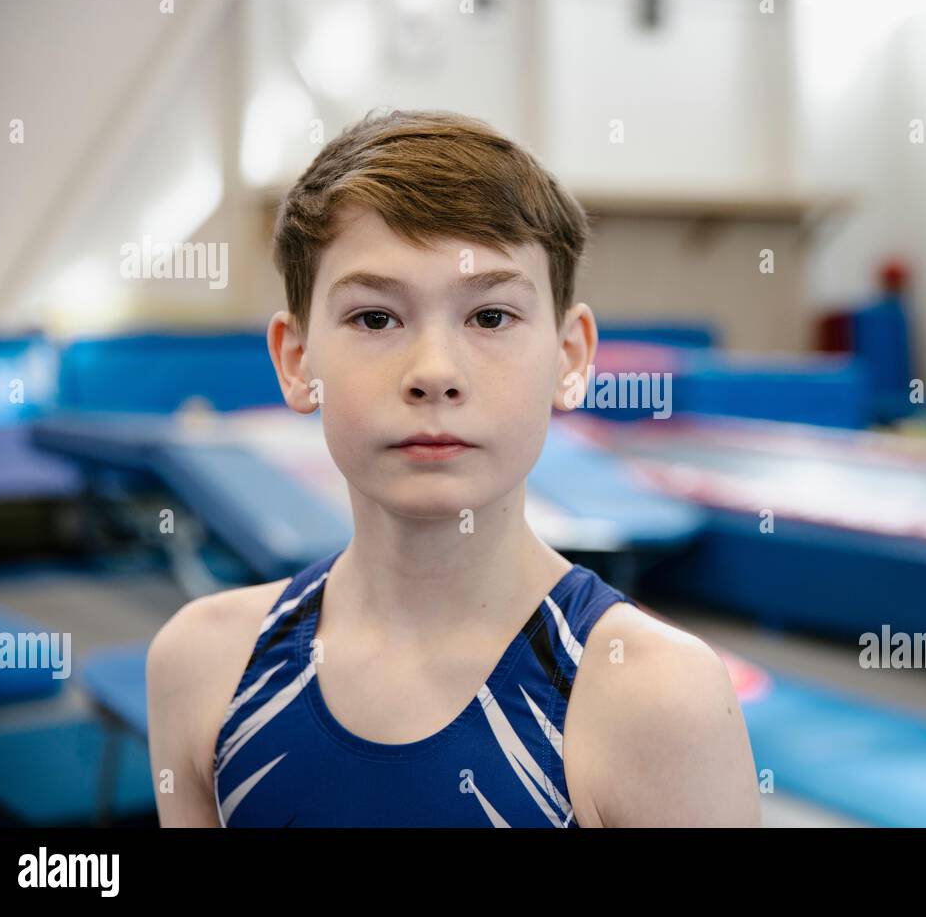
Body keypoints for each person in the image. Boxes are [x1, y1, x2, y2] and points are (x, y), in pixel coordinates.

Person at [146, 109, 760, 827]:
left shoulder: (657, 701)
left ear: (570, 358)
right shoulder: (203, 666)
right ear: (295, 359)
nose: (434, 373)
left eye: (491, 317)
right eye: (376, 318)